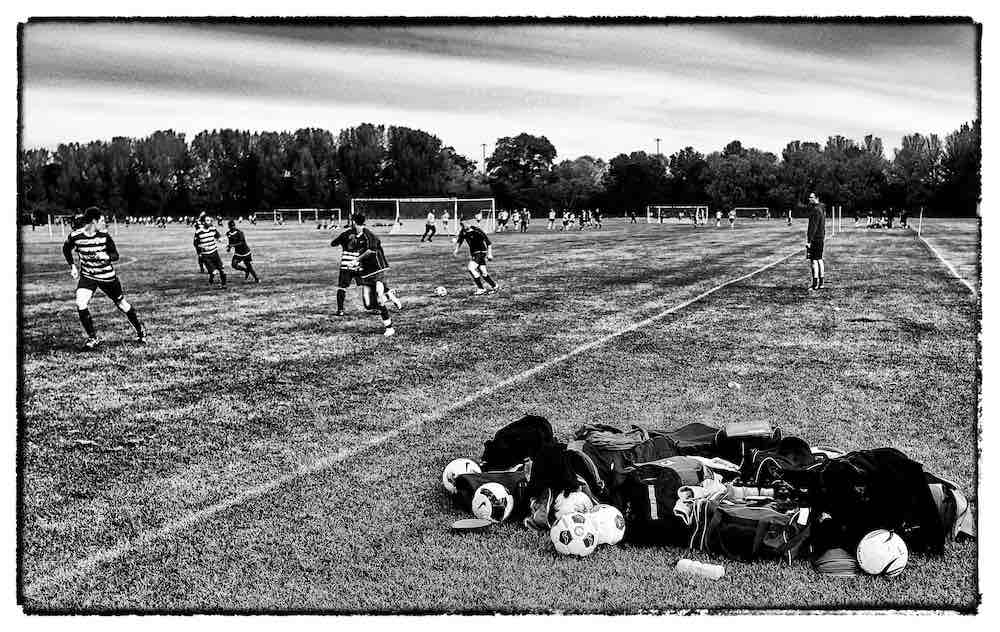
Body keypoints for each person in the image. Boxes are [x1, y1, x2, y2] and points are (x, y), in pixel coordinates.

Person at [62, 207, 147, 348]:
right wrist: (72, 266)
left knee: (122, 304)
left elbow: (116, 255)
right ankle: (92, 338)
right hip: (88, 276)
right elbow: (66, 249)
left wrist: (106, 256)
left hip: (107, 277)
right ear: (93, 221)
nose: (104, 223)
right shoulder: (76, 236)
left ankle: (140, 331)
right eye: (101, 220)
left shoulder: (104, 236)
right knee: (80, 302)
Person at [351, 214, 398, 336]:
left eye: (352, 222)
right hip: (366, 273)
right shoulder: (356, 237)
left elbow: (371, 251)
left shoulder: (368, 235)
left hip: (377, 269)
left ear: (355, 223)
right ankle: (389, 296)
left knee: (379, 297)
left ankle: (389, 328)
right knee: (368, 305)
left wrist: (357, 260)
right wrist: (357, 265)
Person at [453, 216, 498, 295]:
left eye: (464, 225)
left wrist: (490, 254)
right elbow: (460, 240)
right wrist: (456, 249)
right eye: (461, 225)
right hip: (475, 253)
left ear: (468, 223)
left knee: (471, 268)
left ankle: (481, 288)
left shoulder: (477, 230)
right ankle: (494, 286)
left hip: (480, 252)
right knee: (483, 272)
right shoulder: (463, 231)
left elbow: (489, 243)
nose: (462, 227)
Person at [194, 217, 227, 287]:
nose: (210, 222)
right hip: (206, 255)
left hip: (214, 253)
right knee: (213, 272)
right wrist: (200, 252)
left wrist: (220, 239)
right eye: (207, 220)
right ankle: (211, 280)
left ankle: (223, 285)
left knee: (222, 269)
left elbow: (218, 236)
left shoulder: (213, 229)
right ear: (203, 222)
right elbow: (196, 244)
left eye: (210, 220)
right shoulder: (198, 232)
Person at [805, 192, 826, 291]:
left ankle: (815, 285)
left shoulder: (815, 210)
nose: (809, 199)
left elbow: (813, 227)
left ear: (816, 198)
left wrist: (809, 241)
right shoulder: (821, 208)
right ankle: (821, 283)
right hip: (820, 238)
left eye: (811, 197)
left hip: (815, 239)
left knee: (814, 261)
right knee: (819, 259)